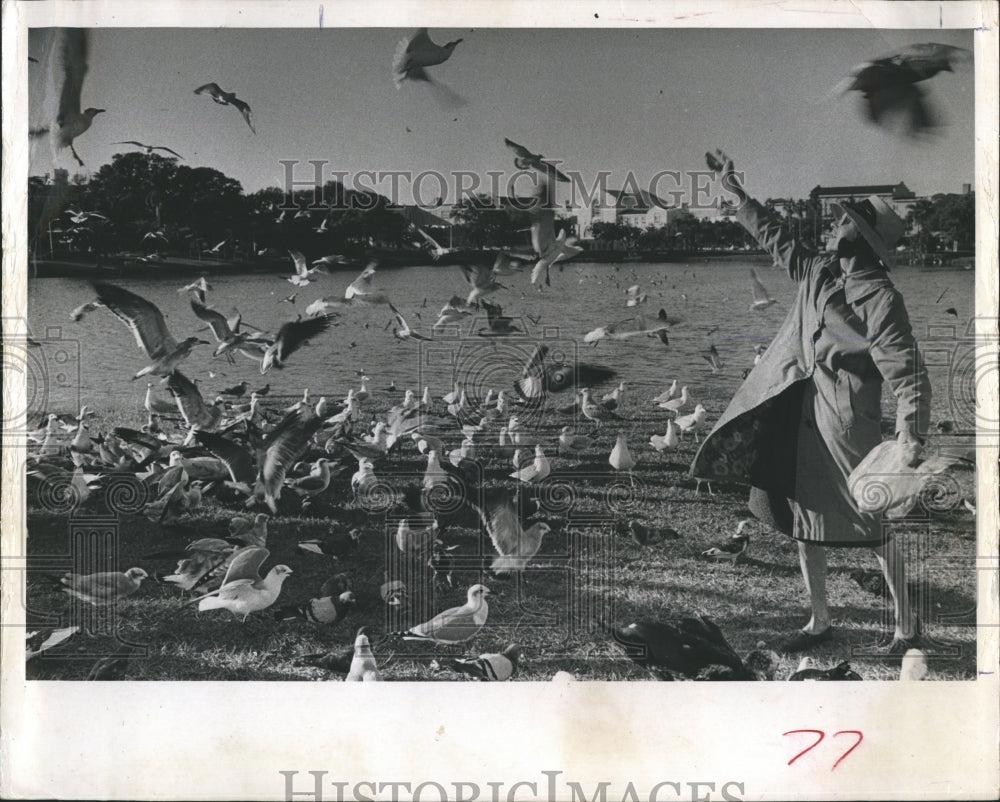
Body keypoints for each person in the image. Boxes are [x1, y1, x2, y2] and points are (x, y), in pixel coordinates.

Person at [691, 151, 931, 654]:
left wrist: (910, 433)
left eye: (845, 221)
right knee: (803, 519)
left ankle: (908, 629)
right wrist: (741, 200)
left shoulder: (882, 300)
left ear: (860, 239)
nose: (834, 224)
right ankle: (820, 621)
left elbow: (906, 371)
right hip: (799, 413)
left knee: (873, 523)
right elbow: (781, 242)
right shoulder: (821, 271)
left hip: (848, 428)